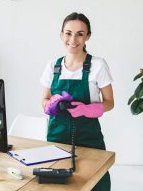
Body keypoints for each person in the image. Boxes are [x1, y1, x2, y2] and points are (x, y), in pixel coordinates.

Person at [40, 12, 114, 191]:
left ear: (88, 36)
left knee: (95, 181)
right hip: (57, 136)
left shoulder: (98, 65)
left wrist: (89, 110)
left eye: (80, 34)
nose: (73, 39)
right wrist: (50, 105)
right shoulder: (53, 66)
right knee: (57, 185)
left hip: (89, 137)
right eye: (68, 33)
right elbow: (44, 99)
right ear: (61, 35)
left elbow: (109, 102)